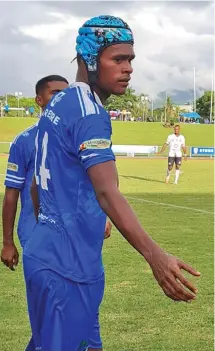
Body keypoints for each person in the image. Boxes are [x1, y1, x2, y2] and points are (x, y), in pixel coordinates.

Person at [24, 15, 200, 351]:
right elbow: (107, 191)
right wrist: (156, 257)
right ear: (90, 60)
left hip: (51, 258)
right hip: (67, 271)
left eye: (130, 59)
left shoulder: (59, 102)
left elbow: (37, 186)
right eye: (118, 59)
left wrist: (57, 228)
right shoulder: (90, 114)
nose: (128, 68)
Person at [0, 75, 69, 351]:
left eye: (66, 94)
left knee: (65, 318)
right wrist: (7, 242)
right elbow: (11, 196)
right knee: (50, 319)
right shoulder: (24, 141)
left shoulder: (74, 139)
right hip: (37, 239)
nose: (60, 99)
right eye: (54, 93)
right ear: (39, 100)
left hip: (70, 241)